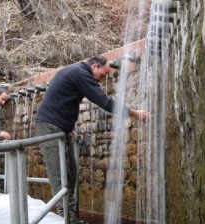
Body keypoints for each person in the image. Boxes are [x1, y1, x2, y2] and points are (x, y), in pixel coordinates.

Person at [35, 55, 149, 224]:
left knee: (71, 173)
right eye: (102, 75)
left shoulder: (77, 70)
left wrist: (68, 128)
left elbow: (63, 100)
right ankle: (66, 219)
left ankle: (70, 217)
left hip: (59, 128)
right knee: (60, 175)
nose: (101, 81)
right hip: (49, 127)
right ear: (94, 66)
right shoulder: (81, 73)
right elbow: (104, 102)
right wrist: (135, 113)